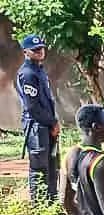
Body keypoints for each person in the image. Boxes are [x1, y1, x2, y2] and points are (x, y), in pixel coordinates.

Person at [16, 34, 59, 205]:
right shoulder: (27, 73)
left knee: (52, 166)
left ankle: (51, 204)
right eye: (35, 50)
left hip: (46, 124)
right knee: (39, 168)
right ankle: (40, 207)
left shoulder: (39, 70)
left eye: (41, 48)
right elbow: (32, 107)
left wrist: (53, 122)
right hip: (36, 126)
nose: (40, 51)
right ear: (26, 52)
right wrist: (52, 123)